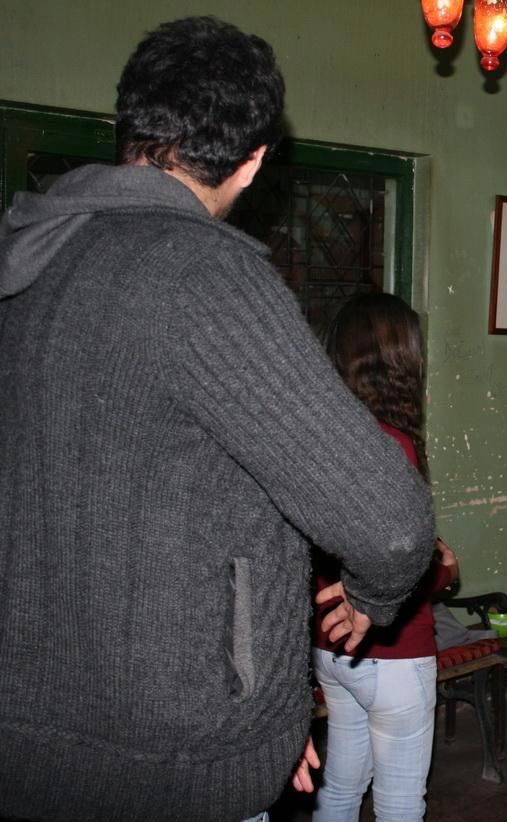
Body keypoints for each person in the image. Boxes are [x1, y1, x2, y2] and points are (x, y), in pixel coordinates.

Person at [0, 18, 434, 821]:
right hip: (171, 758)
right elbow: (392, 523)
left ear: (128, 123)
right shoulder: (206, 278)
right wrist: (371, 598)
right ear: (253, 160)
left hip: (28, 738)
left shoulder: (29, 258)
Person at [313, 294, 455, 821]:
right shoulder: (390, 444)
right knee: (399, 805)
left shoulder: (318, 440)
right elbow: (395, 565)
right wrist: (444, 570)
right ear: (400, 361)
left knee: (340, 789)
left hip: (332, 648)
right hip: (391, 656)